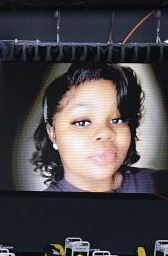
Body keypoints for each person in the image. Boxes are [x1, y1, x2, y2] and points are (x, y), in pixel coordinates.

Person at [32, 62, 153, 193]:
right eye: (82, 122)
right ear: (52, 133)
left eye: (118, 119)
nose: (106, 132)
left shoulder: (157, 183)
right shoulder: (36, 208)